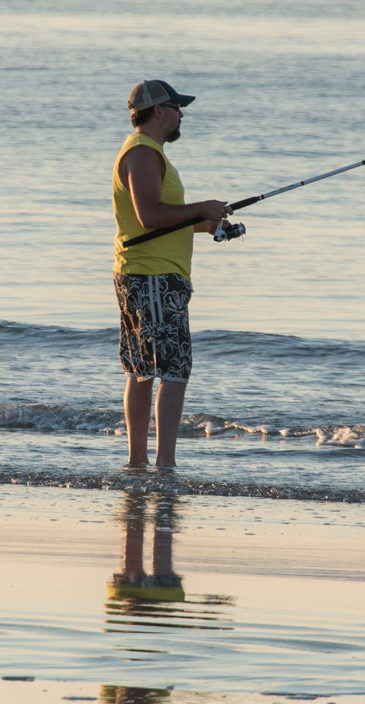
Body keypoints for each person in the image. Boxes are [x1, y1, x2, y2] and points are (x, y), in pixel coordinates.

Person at [112, 79, 229, 469]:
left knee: (143, 368)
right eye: (178, 108)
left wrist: (205, 224)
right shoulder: (144, 154)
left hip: (145, 273)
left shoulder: (146, 153)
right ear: (159, 111)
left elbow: (157, 224)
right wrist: (202, 207)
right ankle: (163, 465)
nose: (182, 115)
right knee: (172, 369)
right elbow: (150, 216)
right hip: (154, 278)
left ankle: (140, 463)